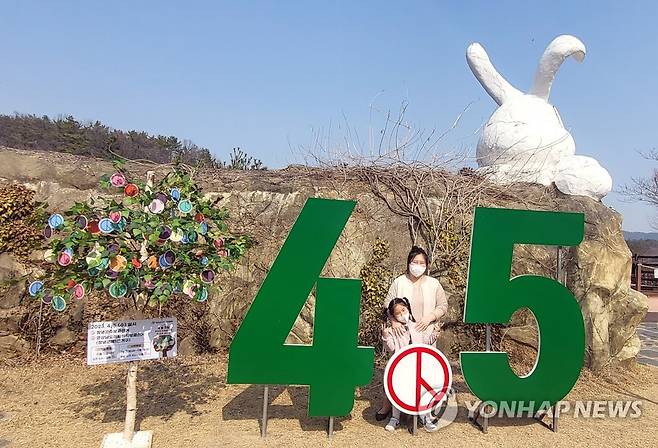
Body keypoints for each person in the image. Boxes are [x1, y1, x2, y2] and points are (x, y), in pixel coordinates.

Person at [375, 246, 449, 422]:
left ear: (427, 265)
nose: (418, 265)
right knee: (396, 370)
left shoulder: (434, 284)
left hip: (425, 334)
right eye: (414, 262)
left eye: (422, 263)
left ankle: (425, 409)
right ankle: (388, 405)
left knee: (425, 372)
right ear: (408, 263)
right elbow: (387, 305)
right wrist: (393, 321)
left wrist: (430, 317)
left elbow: (443, 306)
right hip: (400, 335)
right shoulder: (399, 282)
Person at [381, 297, 439, 432]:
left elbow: (427, 342)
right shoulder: (395, 330)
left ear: (408, 308)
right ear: (394, 316)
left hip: (419, 367)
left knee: (423, 391)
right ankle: (395, 418)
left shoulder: (417, 326)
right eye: (398, 313)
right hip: (402, 368)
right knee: (398, 390)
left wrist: (436, 332)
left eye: (403, 310)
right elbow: (391, 348)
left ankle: (426, 417)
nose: (402, 314)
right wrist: (385, 335)